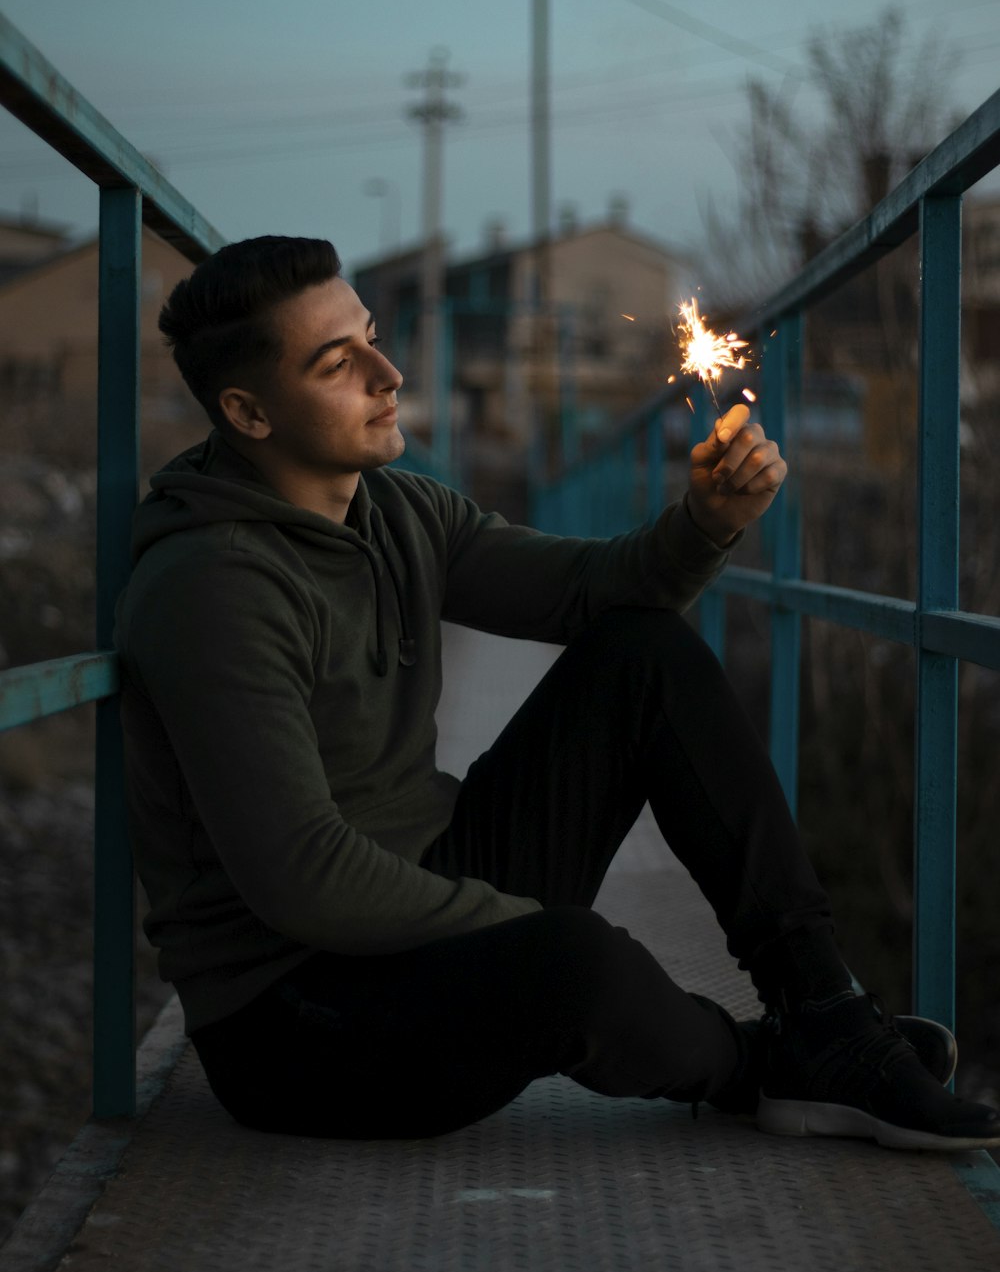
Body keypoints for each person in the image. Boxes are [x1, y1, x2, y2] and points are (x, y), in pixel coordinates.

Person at [115, 235, 999, 1152]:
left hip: (420, 889)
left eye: (373, 336)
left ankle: (827, 1011)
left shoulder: (402, 512)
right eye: (339, 363)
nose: (388, 372)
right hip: (297, 1016)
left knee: (642, 652)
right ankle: (759, 1064)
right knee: (576, 960)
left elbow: (594, 591)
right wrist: (523, 927)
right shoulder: (212, 587)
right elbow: (306, 879)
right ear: (249, 411)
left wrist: (706, 523)